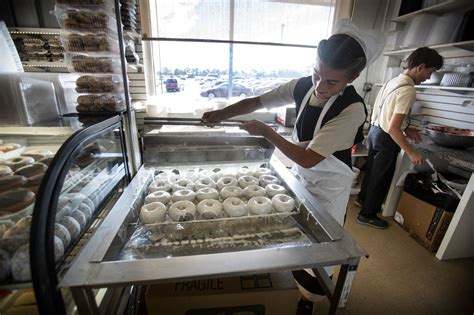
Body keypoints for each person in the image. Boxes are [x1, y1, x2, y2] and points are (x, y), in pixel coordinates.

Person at [202, 20, 384, 315]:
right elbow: (258, 100)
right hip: (302, 178)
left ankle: (309, 301)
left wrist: (266, 132)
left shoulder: (352, 109)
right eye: (316, 74)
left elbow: (309, 157)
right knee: (296, 239)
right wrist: (221, 113)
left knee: (319, 250)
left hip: (328, 187)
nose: (319, 86)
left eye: (331, 82)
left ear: (353, 77)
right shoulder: (302, 86)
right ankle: (290, 288)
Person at [356, 47, 443, 229]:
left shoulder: (392, 82)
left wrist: (407, 128)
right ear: (421, 66)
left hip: (374, 132)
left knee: (372, 171)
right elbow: (394, 128)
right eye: (430, 72)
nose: (428, 77)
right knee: (381, 178)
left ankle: (362, 200)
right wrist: (411, 152)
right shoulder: (408, 90)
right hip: (387, 137)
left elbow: (387, 116)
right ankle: (367, 215)